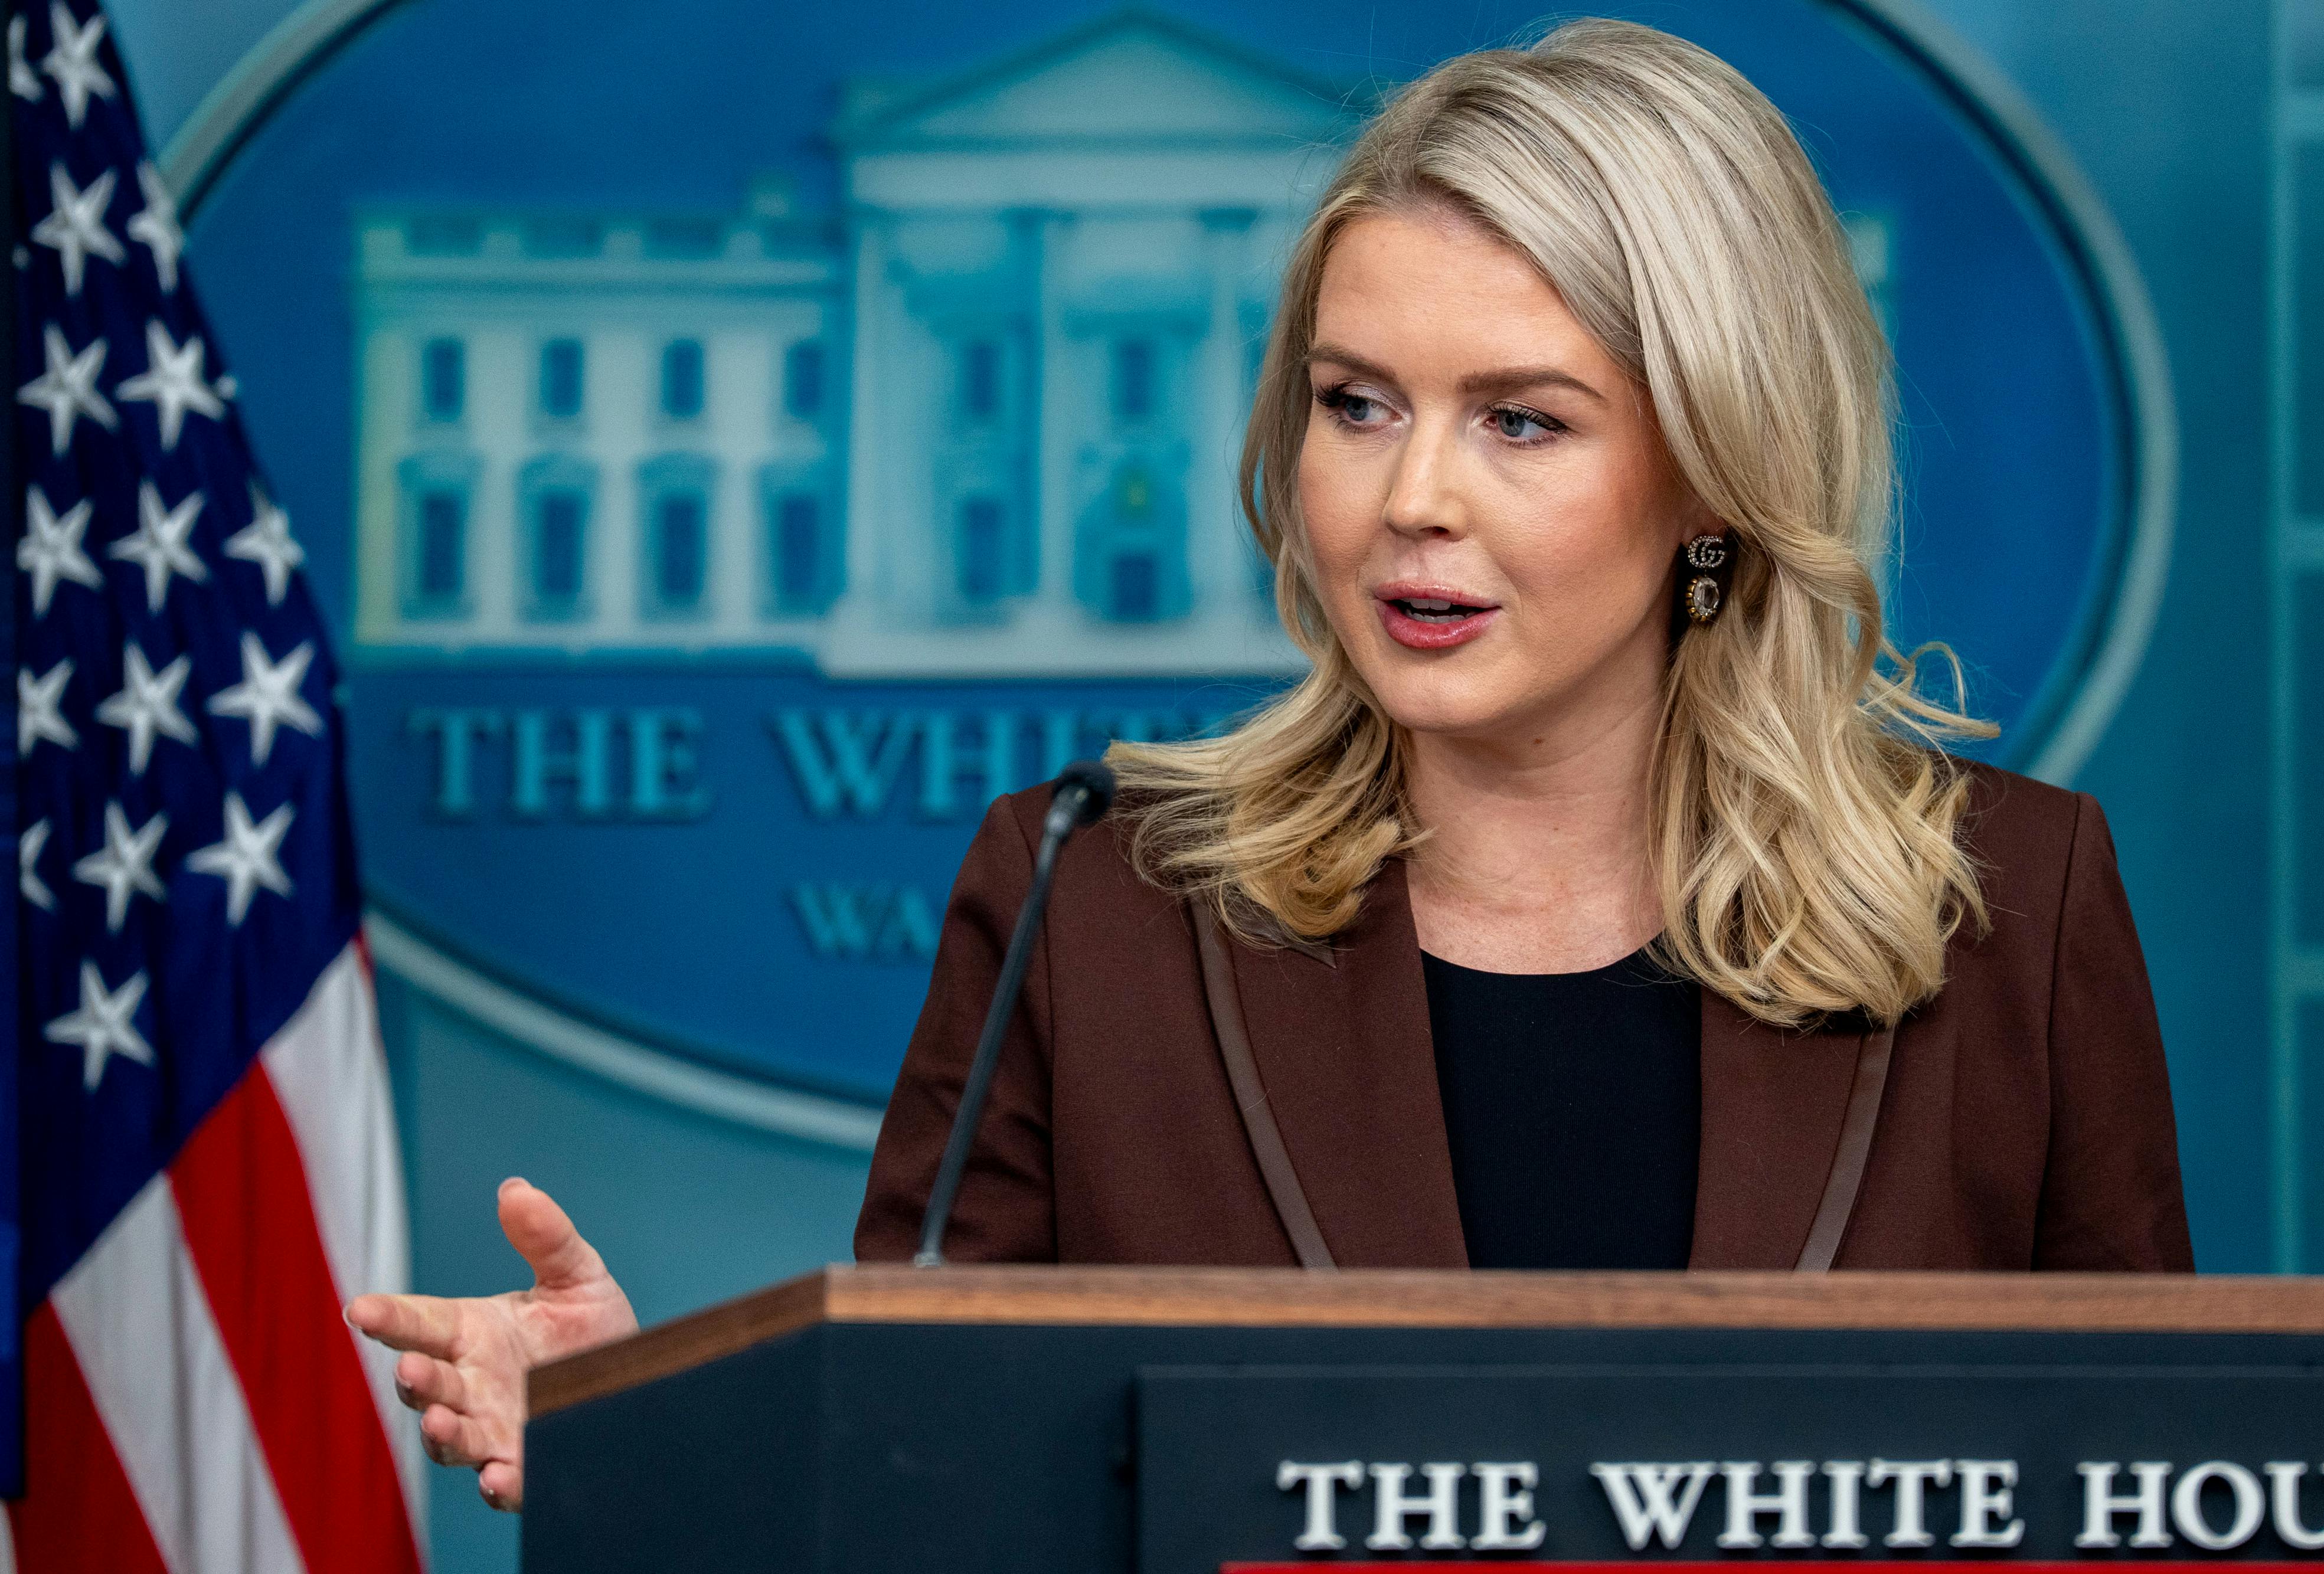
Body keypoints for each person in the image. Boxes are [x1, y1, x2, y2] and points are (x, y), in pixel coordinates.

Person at [344, 17, 2190, 1511]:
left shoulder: (2010, 908)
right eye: (1355, 401)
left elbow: (2175, 1515)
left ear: (1713, 470)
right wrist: (650, 1438)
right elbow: (931, 1502)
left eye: (1522, 421)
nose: (1409, 501)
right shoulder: (1094, 900)